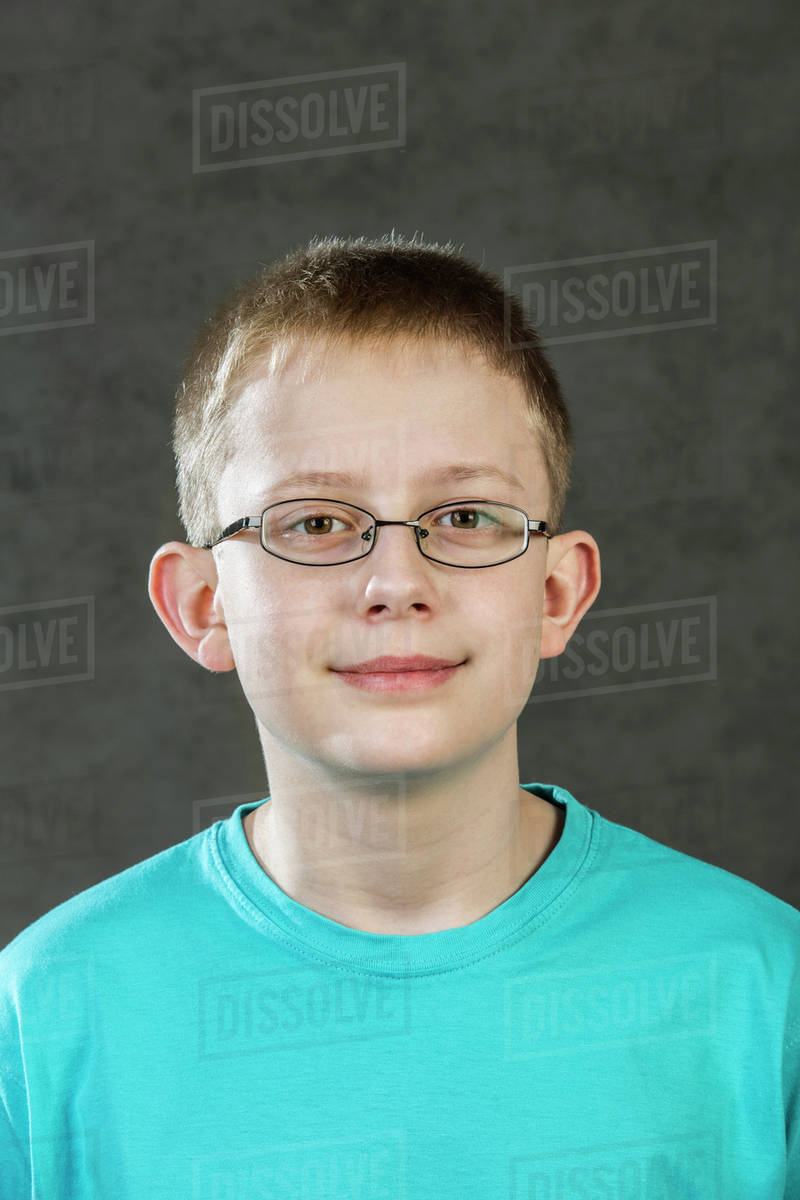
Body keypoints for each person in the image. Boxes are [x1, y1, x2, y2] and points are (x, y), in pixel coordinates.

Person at [0, 233, 797, 1197]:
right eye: (314, 522)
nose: (395, 583)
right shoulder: (47, 1015)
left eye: (464, 517)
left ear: (556, 594)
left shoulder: (764, 989)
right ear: (202, 605)